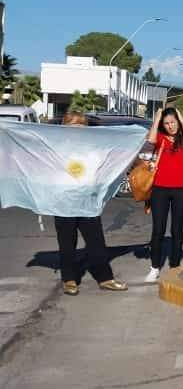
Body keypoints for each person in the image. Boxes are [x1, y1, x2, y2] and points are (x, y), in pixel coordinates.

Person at [54, 112, 128, 295]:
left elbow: (104, 167)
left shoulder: (93, 150)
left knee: (96, 243)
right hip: (64, 202)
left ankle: (105, 278)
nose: (77, 130)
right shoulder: (56, 149)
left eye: (81, 126)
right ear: (65, 128)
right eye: (73, 126)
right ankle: (69, 279)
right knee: (67, 244)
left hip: (87, 202)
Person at [144, 107, 183, 282]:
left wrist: (181, 118)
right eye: (166, 123)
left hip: (182, 189)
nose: (170, 126)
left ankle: (174, 266)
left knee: (176, 229)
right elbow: (151, 139)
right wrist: (157, 117)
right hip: (160, 189)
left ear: (178, 122)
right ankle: (154, 267)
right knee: (158, 230)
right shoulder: (160, 138)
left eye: (173, 122)